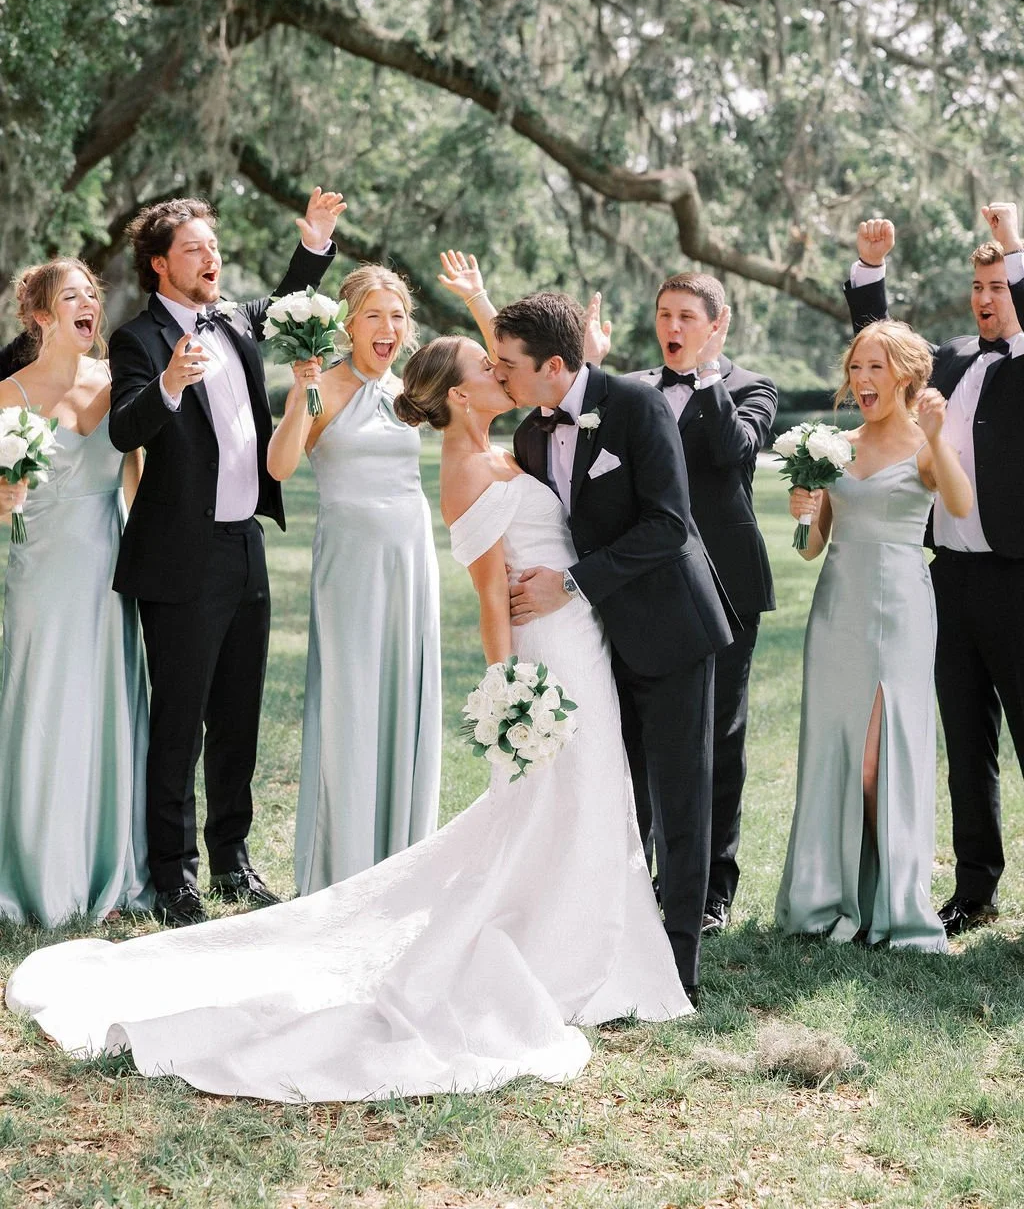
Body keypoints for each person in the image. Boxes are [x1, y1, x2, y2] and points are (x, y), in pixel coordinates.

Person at [5, 334, 689, 1102]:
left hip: (580, 633)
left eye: (506, 367)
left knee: (592, 790)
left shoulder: (521, 441)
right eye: (488, 371)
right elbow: (491, 596)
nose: (503, 376)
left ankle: (601, 934)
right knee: (565, 790)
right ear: (462, 396)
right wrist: (508, 687)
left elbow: (537, 365)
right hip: (543, 653)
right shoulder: (467, 468)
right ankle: (572, 946)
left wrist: (534, 333)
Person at [488, 292, 735, 1004]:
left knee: (680, 799)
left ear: (556, 365)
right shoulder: (532, 435)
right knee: (618, 799)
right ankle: (616, 943)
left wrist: (569, 583)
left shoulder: (636, 406)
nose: (500, 374)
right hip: (589, 650)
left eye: (509, 364)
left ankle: (679, 965)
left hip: (670, 631)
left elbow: (669, 526)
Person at [108, 188, 343, 927]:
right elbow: (123, 431)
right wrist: (172, 383)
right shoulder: (138, 339)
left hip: (246, 543)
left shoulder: (235, 319)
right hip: (181, 556)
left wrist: (314, 247)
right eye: (193, 250)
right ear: (159, 265)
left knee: (238, 717)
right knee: (181, 723)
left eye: (213, 247)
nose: (210, 258)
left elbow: (286, 304)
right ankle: (172, 877)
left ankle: (232, 861)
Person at [845, 203, 1024, 936]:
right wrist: (870, 270)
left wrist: (1014, 243)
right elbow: (880, 349)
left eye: (1000, 286)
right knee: (964, 741)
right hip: (945, 577)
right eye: (977, 286)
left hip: (1019, 578)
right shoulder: (947, 361)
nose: (984, 298)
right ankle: (974, 887)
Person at [775, 321, 972, 951]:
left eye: (876, 368)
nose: (862, 380)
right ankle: (830, 893)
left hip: (901, 610)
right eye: (856, 368)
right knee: (837, 748)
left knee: (878, 759)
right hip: (836, 609)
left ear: (906, 376)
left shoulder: (925, 443)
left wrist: (938, 440)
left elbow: (962, 506)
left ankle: (891, 897)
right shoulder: (834, 446)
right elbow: (809, 550)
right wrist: (802, 518)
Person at [267, 265, 442, 893]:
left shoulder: (410, 392)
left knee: (401, 693)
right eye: (374, 315)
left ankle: (399, 859)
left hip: (410, 560)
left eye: (397, 316)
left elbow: (500, 379)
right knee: (350, 696)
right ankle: (341, 866)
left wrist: (476, 300)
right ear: (347, 324)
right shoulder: (324, 388)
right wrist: (297, 402)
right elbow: (280, 466)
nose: (388, 327)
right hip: (350, 565)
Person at [0, 260, 150, 926]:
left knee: (104, 708)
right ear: (40, 316)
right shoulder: (8, 395)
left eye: (93, 294)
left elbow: (140, 485)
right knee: (42, 708)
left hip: (108, 572)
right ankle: (37, 869)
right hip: (41, 573)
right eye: (72, 297)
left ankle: (103, 867)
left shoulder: (121, 383)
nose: (90, 304)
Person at [626, 273, 777, 934]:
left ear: (717, 324)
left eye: (688, 316)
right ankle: (637, 871)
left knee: (719, 735)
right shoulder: (632, 392)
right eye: (665, 314)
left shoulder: (751, 389)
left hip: (728, 589)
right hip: (648, 589)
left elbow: (734, 451)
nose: (673, 327)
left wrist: (710, 374)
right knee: (644, 734)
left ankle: (712, 889)